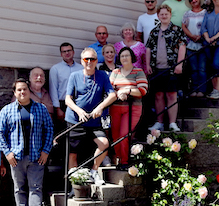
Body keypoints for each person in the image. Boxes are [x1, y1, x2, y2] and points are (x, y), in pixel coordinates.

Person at [0, 78, 53, 206]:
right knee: (19, 188)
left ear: (29, 91)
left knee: (36, 187)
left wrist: (45, 151)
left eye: (25, 89)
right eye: (19, 90)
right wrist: (7, 153)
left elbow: (49, 130)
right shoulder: (7, 111)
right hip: (16, 158)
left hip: (36, 157)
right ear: (15, 93)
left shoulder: (40, 109)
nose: (22, 92)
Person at [65, 48, 117, 184]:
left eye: (92, 59)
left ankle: (94, 171)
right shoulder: (74, 76)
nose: (89, 62)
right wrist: (79, 111)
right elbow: (67, 99)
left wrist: (100, 107)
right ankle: (74, 185)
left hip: (94, 121)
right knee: (73, 153)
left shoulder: (102, 75)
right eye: (86, 59)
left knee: (104, 143)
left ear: (96, 61)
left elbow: (112, 95)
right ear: (82, 61)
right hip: (75, 120)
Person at [146, 4, 187, 132]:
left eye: (166, 14)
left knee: (171, 95)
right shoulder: (154, 31)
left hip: (172, 68)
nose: (164, 16)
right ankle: (159, 122)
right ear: (158, 16)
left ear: (170, 15)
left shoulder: (177, 30)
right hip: (156, 68)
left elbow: (182, 46)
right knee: (158, 96)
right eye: (161, 14)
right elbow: (148, 48)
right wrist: (147, 65)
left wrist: (179, 64)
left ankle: (172, 123)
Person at [109, 47, 148, 168]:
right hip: (115, 107)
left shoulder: (138, 71)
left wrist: (127, 90)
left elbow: (142, 90)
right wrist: (119, 92)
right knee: (115, 135)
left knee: (124, 134)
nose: (124, 58)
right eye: (122, 56)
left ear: (132, 57)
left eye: (127, 55)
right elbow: (109, 89)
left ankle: (125, 162)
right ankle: (118, 160)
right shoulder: (115, 72)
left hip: (133, 108)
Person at [49, 43, 83, 127]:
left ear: (73, 52)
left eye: (69, 50)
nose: (67, 53)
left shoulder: (81, 68)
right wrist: (57, 108)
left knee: (77, 130)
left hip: (78, 103)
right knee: (62, 131)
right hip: (62, 104)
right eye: (64, 51)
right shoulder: (55, 69)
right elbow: (53, 89)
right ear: (61, 54)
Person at [182, 0, 207, 97]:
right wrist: (192, 36)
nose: (194, 0)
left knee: (202, 69)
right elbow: (184, 27)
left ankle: (202, 90)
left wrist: (201, 36)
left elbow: (208, 26)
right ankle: (194, 89)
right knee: (193, 69)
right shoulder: (187, 14)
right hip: (191, 44)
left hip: (202, 44)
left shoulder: (206, 12)